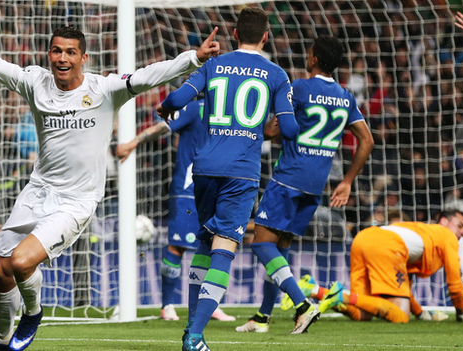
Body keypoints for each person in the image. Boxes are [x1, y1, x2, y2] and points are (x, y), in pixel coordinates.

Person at [0, 5, 220, 351]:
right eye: (56, 51)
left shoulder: (106, 88)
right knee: (2, 273)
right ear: (49, 54)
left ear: (83, 57)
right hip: (38, 191)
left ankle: (33, 314)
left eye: (70, 52)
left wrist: (194, 58)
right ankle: (3, 344)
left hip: (76, 201)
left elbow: (149, 74)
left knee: (21, 261)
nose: (62, 58)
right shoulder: (35, 83)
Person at [156, 7, 300, 351]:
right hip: (240, 172)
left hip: (202, 168)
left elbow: (176, 99)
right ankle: (194, 337)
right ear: (266, 37)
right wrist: (276, 126)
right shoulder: (277, 74)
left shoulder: (214, 64)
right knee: (225, 247)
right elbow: (291, 130)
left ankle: (192, 326)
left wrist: (164, 108)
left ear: (235, 35)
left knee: (205, 243)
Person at [235, 35, 374, 334]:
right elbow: (367, 140)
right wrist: (347, 181)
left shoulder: (297, 88)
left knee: (260, 244)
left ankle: (302, 304)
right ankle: (262, 317)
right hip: (316, 184)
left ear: (312, 59)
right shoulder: (345, 97)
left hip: (288, 177)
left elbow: (273, 131)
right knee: (280, 248)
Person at [116, 99, 235, 322]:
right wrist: (133, 143)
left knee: (214, 245)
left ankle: (209, 303)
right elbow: (164, 126)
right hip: (188, 186)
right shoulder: (194, 108)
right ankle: (167, 305)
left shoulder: (229, 108)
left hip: (218, 186)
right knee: (178, 245)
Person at [318, 209, 463, 324]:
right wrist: (462, 314)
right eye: (459, 225)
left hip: (363, 239)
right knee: (401, 316)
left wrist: (419, 312)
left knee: (362, 313)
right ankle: (342, 296)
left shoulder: (423, 233)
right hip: (385, 246)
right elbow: (454, 283)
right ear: (444, 221)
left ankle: (314, 290)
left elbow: (404, 286)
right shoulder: (447, 236)